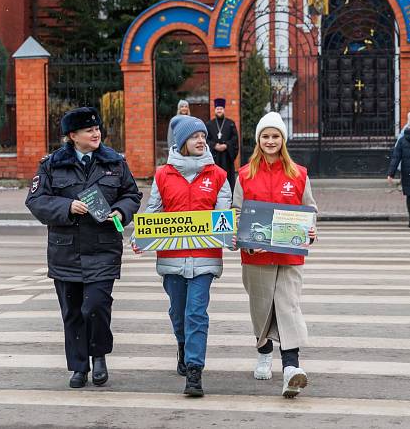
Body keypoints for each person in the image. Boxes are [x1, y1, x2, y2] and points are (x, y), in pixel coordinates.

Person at [25, 107, 142, 388]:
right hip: (66, 251)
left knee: (96, 306)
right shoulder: (52, 165)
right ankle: (79, 367)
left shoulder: (114, 162)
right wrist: (67, 206)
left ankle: (99, 354)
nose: (96, 133)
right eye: (89, 130)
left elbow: (131, 194)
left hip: (103, 248)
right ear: (72, 136)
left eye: (97, 128)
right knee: (73, 311)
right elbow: (36, 201)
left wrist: (121, 211)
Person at [133, 115, 231, 397]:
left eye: (203, 136)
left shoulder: (218, 176)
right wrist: (140, 237)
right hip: (172, 259)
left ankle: (194, 370)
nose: (201, 140)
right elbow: (153, 212)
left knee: (196, 313)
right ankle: (182, 344)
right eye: (194, 137)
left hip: (205, 259)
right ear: (181, 143)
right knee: (178, 313)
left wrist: (231, 235)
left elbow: (223, 217)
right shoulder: (163, 175)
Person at [232, 111, 317, 399]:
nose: (270, 141)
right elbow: (236, 212)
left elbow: (310, 209)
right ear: (258, 141)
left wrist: (311, 229)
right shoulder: (244, 175)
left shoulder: (299, 174)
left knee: (288, 306)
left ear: (283, 140)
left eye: (275, 136)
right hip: (255, 257)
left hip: (290, 256)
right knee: (261, 308)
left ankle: (291, 368)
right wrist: (244, 239)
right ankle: (264, 350)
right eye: (265, 136)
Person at [205, 98, 240, 190]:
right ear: (215, 110)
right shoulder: (209, 124)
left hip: (226, 158)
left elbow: (235, 139)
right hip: (214, 159)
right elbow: (206, 139)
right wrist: (214, 145)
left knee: (227, 181)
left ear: (224, 110)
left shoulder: (230, 123)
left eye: (221, 108)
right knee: (214, 181)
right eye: (217, 109)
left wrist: (226, 145)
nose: (219, 110)